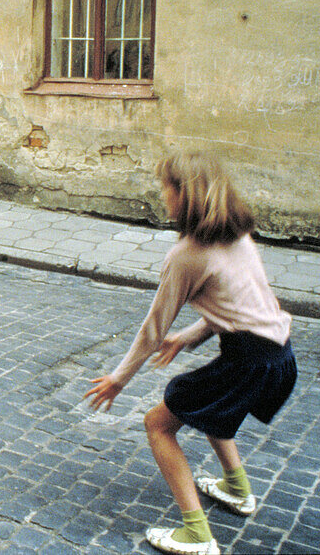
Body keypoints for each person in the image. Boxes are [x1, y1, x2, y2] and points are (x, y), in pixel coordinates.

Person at [84, 151, 296, 555]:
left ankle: (197, 535)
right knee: (215, 407)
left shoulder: (186, 255)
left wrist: (118, 379)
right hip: (277, 353)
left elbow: (152, 329)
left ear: (184, 194)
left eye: (165, 186)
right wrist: (191, 337)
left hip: (249, 359)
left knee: (158, 424)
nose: (161, 194)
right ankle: (237, 489)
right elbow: (246, 305)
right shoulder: (238, 236)